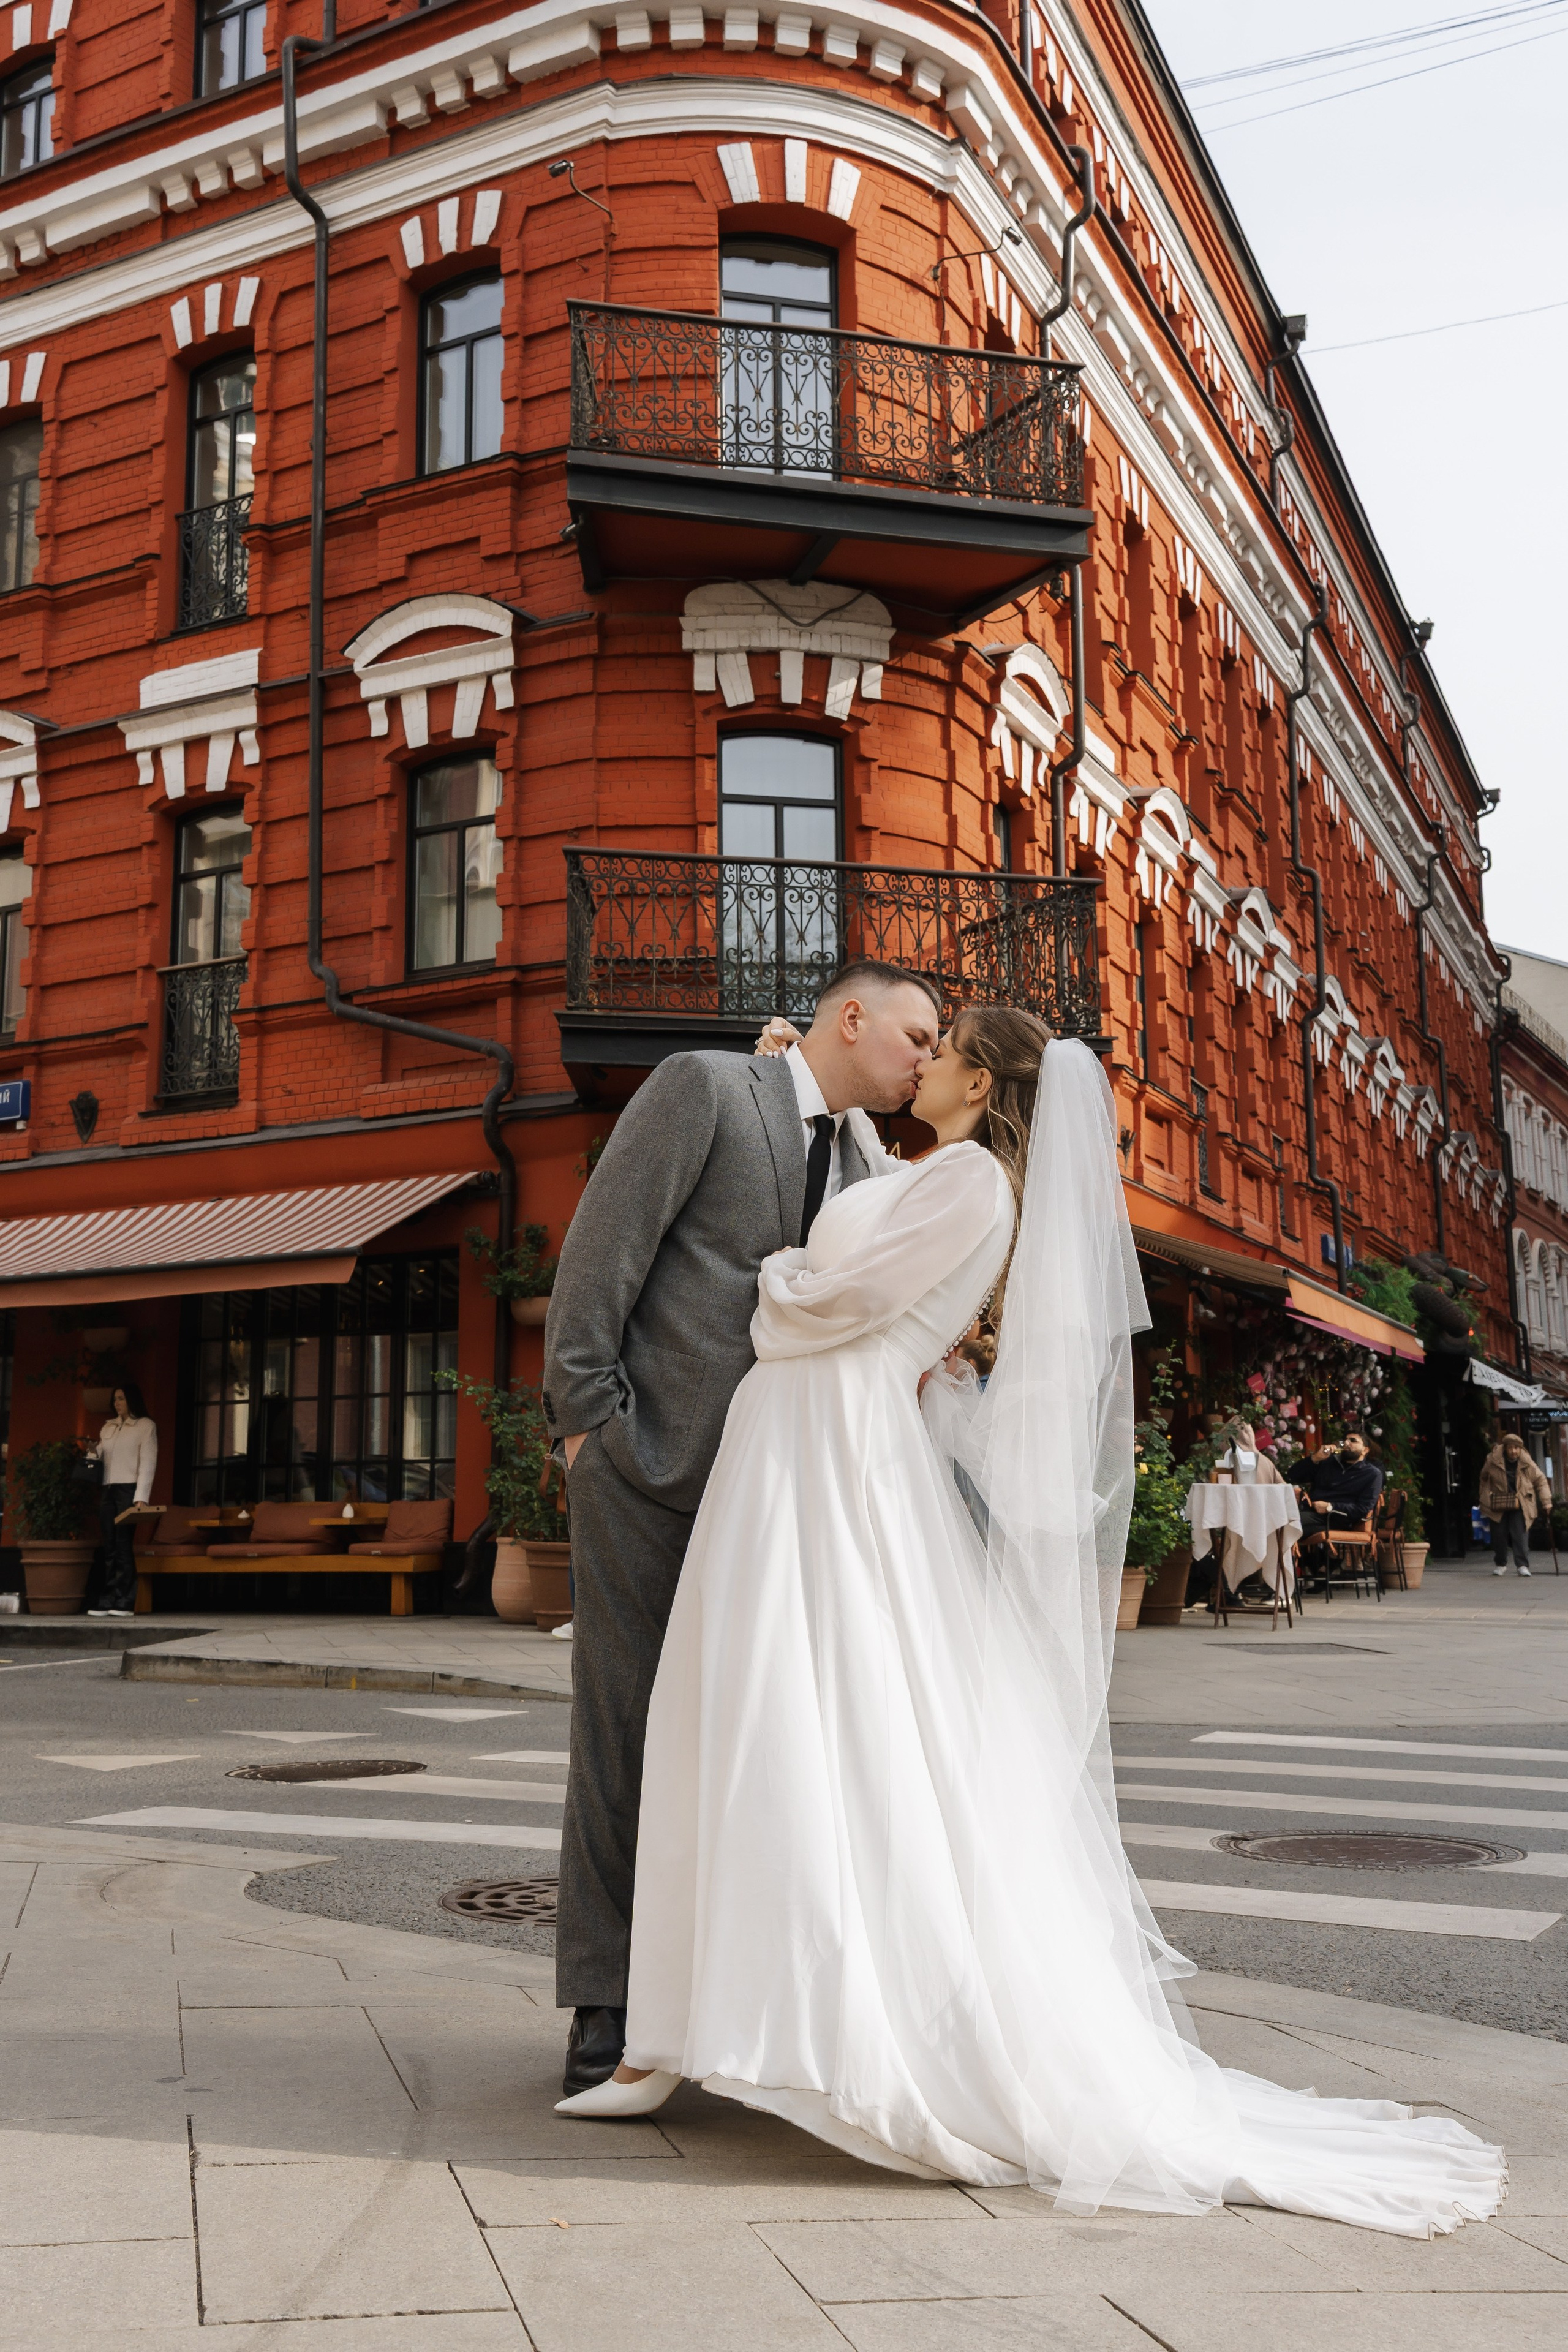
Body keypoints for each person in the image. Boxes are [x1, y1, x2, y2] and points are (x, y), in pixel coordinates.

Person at [554, 1017, 1504, 2239]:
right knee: (760, 1716)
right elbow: (874, 1214)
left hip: (825, 1445)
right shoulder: (934, 1172)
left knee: (795, 1716)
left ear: (979, 1079)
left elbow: (819, 1299)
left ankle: (781, 2029)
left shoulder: (971, 1185)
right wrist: (819, 1102)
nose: (920, 1056)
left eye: (937, 1044)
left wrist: (766, 1284)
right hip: (804, 1444)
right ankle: (701, 2023)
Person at [541, 960, 940, 2097]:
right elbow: (598, 1263)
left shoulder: (872, 1158)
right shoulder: (708, 1089)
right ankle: (607, 2006)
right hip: (656, 1474)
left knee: (761, 1754)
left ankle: (715, 2008)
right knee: (624, 1739)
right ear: (851, 1017)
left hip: (793, 1506)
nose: (926, 1056)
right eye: (915, 1033)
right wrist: (592, 1434)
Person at [88, 1382, 158, 1619]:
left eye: (122, 1398)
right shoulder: (107, 1428)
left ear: (132, 1400)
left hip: (128, 1490)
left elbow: (148, 1464)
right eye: (116, 1399)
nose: (118, 1403)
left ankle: (125, 1601)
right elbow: (100, 1457)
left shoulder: (145, 1426)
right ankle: (107, 1599)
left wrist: (142, 1498)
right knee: (109, 1546)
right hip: (107, 1489)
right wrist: (92, 1452)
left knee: (123, 1546)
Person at [1294, 1430, 1383, 1566]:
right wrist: (1316, 1458)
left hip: (1338, 1519)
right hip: (1311, 1513)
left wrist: (1330, 1507)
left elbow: (1363, 1508)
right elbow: (1293, 1476)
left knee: (1289, 1525)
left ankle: (1314, 1569)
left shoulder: (1371, 1474)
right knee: (1283, 1521)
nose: (1347, 1443)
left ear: (1365, 1450)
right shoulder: (1328, 1463)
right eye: (1346, 1440)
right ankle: (1322, 1567)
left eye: (1353, 1441)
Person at [1478, 1432, 1551, 1577]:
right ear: (1505, 1448)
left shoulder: (1527, 1462)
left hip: (1521, 1502)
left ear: (1520, 1449)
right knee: (1499, 1535)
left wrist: (1546, 1501)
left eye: (1517, 1448)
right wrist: (1484, 1497)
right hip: (1499, 1502)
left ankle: (1522, 1565)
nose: (1514, 1451)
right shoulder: (1493, 1460)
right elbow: (1484, 1478)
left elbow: (1541, 1480)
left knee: (1520, 1535)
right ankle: (1500, 1564)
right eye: (1511, 1448)